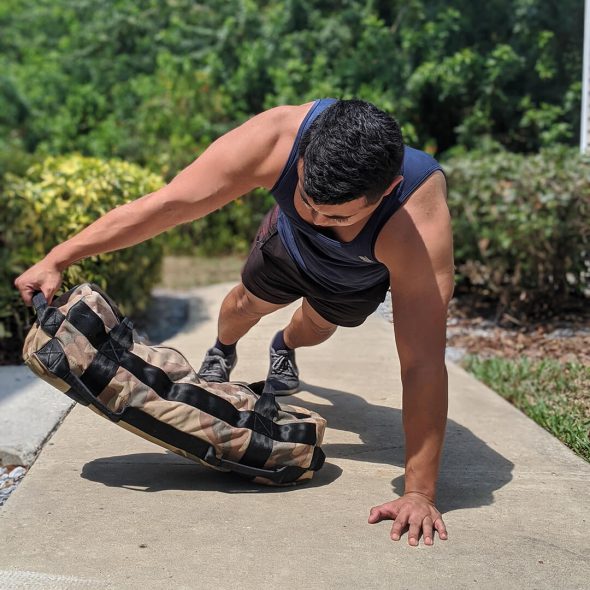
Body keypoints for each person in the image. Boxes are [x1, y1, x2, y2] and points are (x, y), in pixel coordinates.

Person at [15, 98, 454, 547]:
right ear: (301, 159)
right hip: (288, 247)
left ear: (390, 188)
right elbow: (169, 204)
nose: (319, 220)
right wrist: (58, 257)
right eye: (307, 199)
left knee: (316, 328)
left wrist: (419, 492)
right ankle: (222, 351)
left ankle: (284, 346)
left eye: (338, 216)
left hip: (355, 277)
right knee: (246, 304)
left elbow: (422, 362)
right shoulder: (274, 139)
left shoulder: (416, 221)